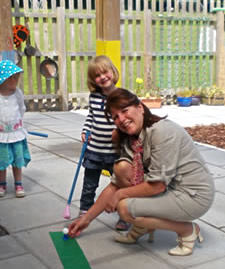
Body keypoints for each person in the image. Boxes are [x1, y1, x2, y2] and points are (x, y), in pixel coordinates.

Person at [68, 88, 215, 256]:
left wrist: (120, 195)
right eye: (116, 117)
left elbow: (157, 186)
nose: (121, 119)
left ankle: (187, 230)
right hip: (170, 188)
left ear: (140, 107)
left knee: (124, 208)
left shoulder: (162, 132)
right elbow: (114, 185)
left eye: (124, 111)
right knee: (122, 168)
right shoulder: (133, 138)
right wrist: (85, 220)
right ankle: (143, 225)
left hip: (193, 195)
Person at [79, 56, 129, 231]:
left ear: (112, 72)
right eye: (97, 75)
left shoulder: (121, 96)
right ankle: (85, 210)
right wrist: (86, 130)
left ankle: (124, 214)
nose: (102, 77)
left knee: (120, 183)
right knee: (89, 183)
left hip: (114, 151)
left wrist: (120, 131)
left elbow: (127, 120)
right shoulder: (94, 97)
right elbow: (91, 116)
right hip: (94, 149)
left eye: (105, 72)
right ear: (93, 80)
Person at [0, 60, 31, 198]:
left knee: (17, 159)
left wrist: (17, 124)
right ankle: (2, 184)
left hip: (15, 134)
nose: (16, 80)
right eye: (12, 77)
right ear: (1, 79)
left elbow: (22, 109)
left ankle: (18, 183)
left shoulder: (18, 93)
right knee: (1, 161)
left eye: (17, 77)